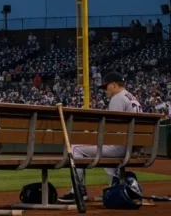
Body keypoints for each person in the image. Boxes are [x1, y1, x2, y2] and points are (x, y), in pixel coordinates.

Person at [58, 72, 143, 203]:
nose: (105, 91)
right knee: (101, 147)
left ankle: (78, 191)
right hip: (133, 147)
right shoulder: (132, 97)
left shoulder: (118, 98)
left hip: (121, 146)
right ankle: (114, 188)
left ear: (114, 85)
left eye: (106, 87)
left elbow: (112, 129)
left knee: (75, 149)